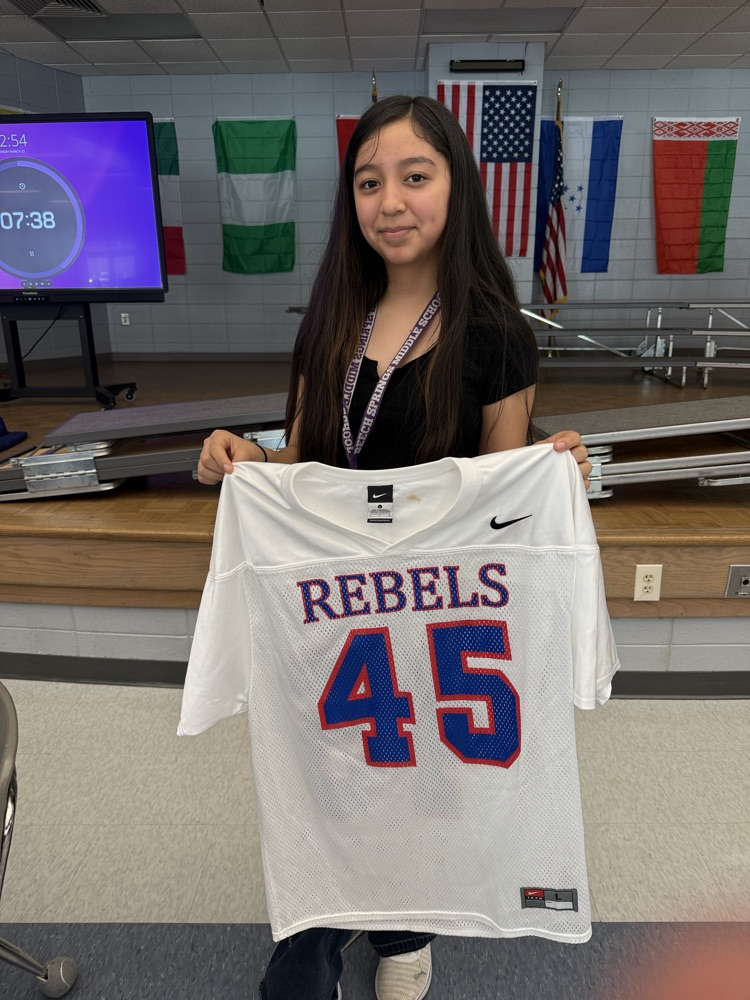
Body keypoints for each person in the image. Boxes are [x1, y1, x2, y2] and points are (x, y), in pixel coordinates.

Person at [197, 94, 591, 1000]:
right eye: (369, 182)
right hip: (333, 610)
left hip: (436, 615)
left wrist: (546, 471)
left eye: (416, 176)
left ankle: (406, 931)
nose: (391, 201)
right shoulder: (331, 322)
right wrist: (246, 458)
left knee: (421, 781)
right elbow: (305, 461)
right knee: (332, 775)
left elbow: (499, 497)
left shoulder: (495, 334)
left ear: (457, 187)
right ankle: (311, 946)